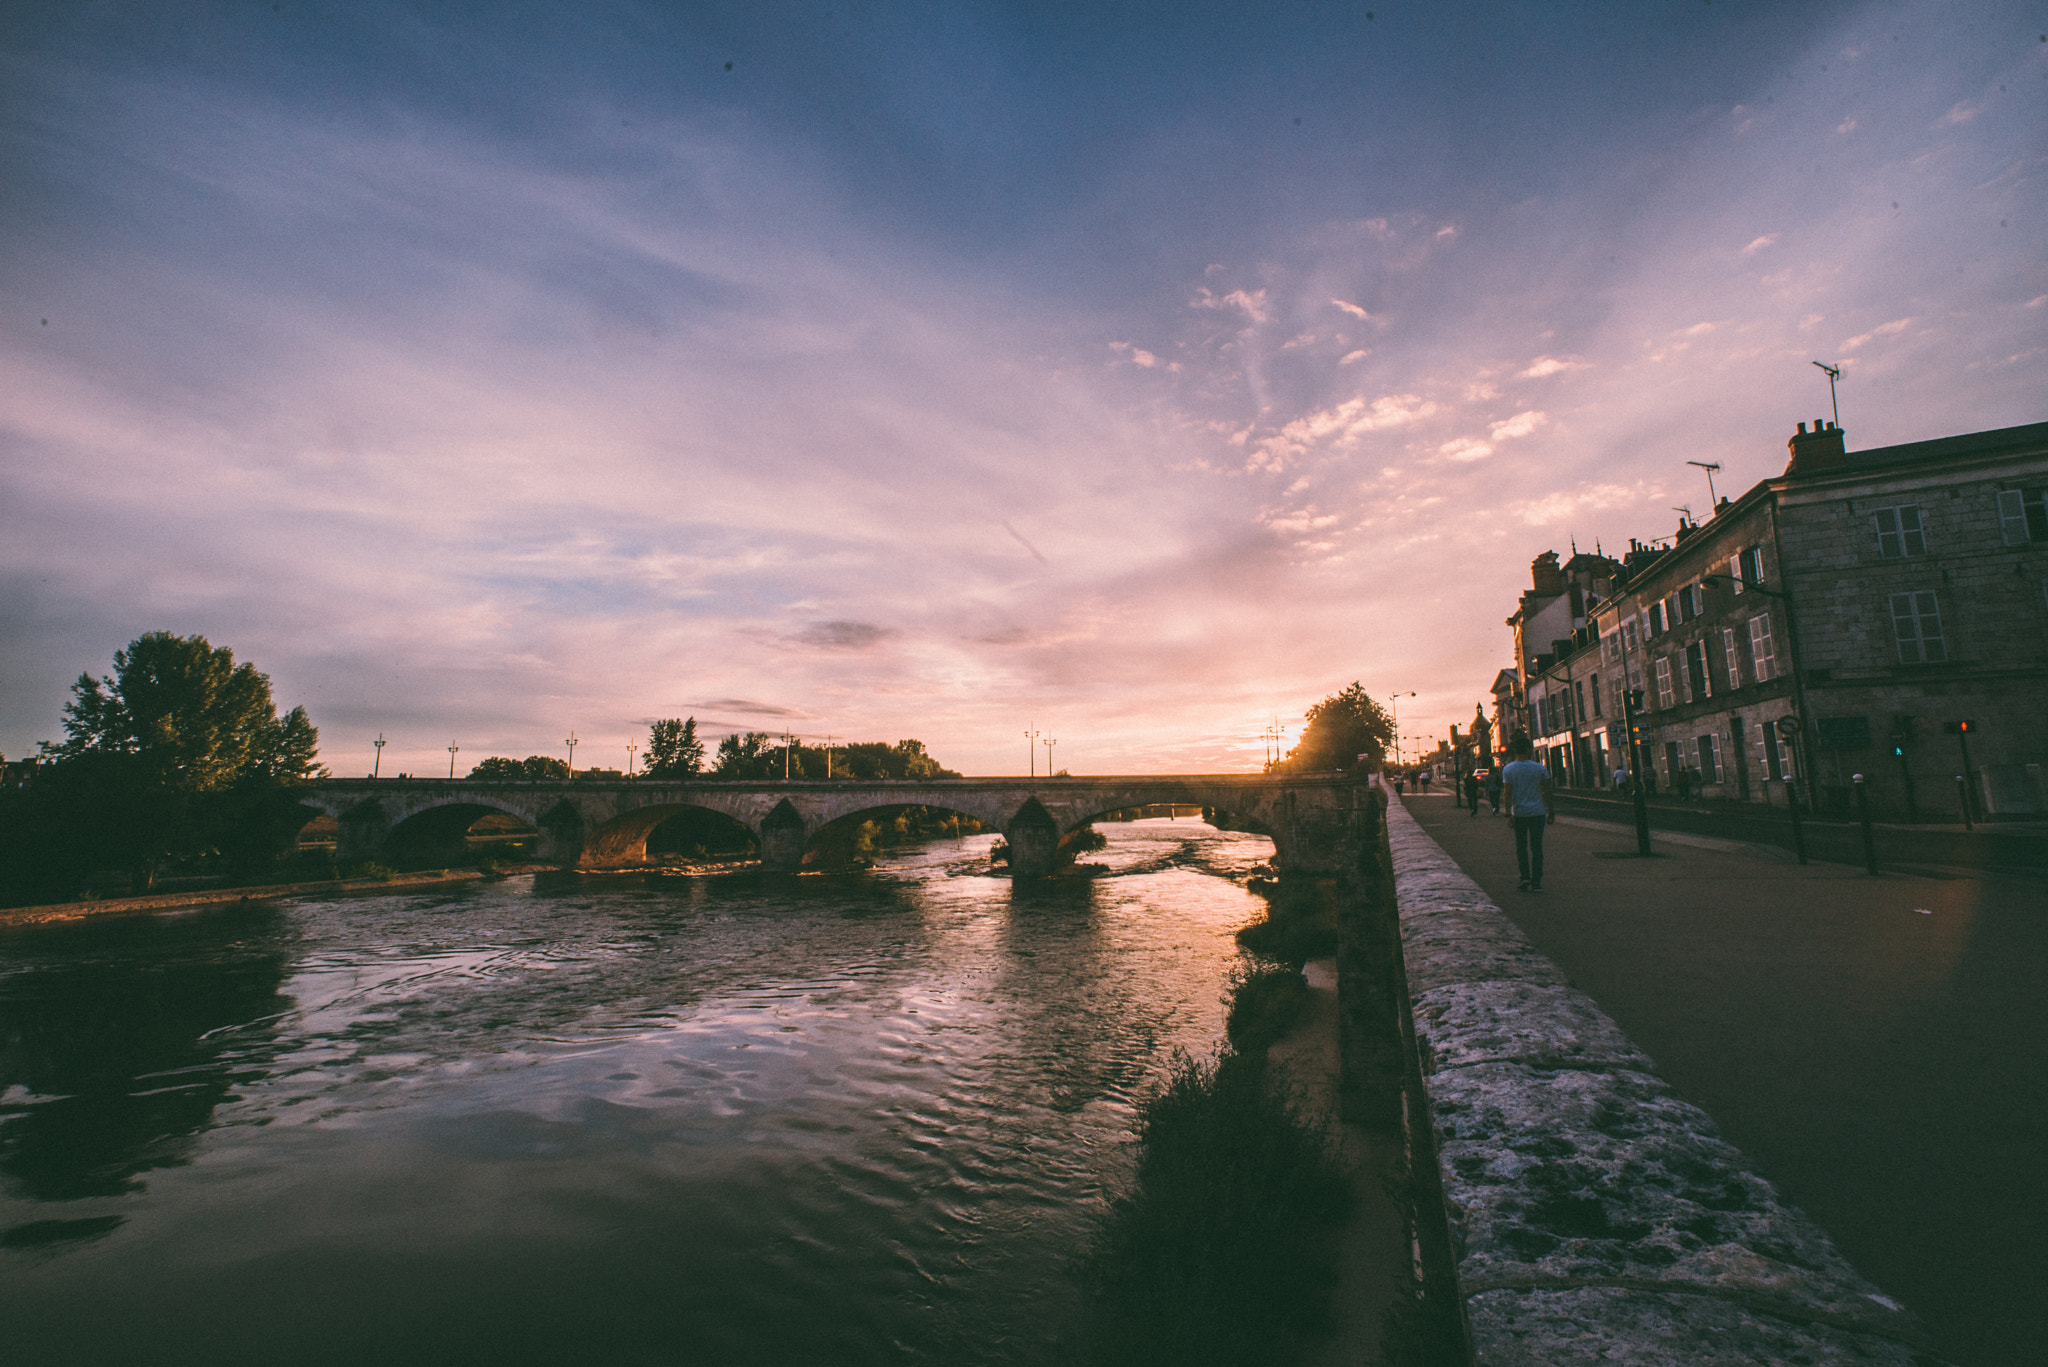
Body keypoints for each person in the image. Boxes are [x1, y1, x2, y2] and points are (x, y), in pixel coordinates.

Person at [1500, 736, 1554, 892]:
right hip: (1538, 812)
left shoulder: (1509, 769)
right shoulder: (1540, 768)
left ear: (1515, 750)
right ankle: (1536, 880)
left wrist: (1507, 814)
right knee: (1537, 848)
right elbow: (1547, 791)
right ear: (1529, 749)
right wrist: (1551, 810)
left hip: (1519, 813)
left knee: (1521, 847)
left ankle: (1524, 877)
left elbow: (1507, 793)